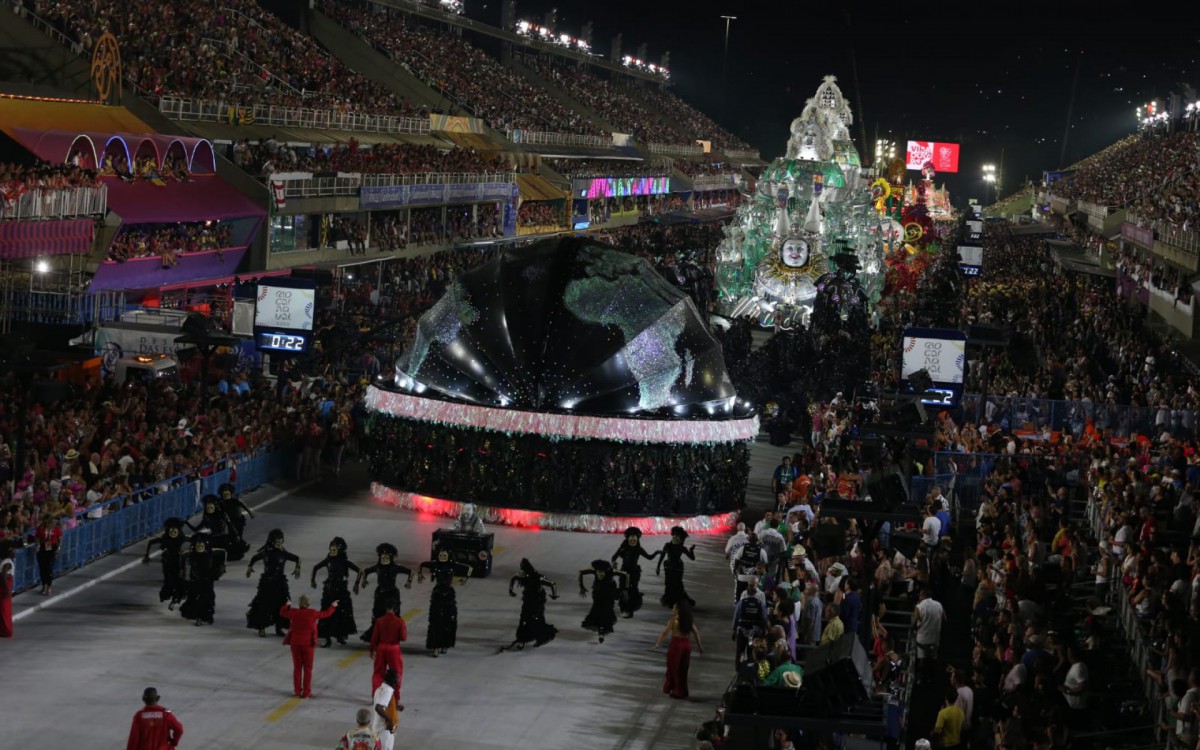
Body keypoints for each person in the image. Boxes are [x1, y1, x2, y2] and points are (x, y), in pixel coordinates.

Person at [279, 594, 338, 698]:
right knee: (308, 669)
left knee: (297, 668)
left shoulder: (294, 613)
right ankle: (306, 692)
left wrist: (287, 605)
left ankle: (297, 691)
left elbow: (282, 613)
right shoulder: (312, 613)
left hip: (295, 644)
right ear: (308, 604)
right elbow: (326, 614)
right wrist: (333, 606)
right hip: (308, 645)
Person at [416, 548, 471, 656]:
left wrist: (466, 578)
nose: (442, 557)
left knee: (447, 620)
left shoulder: (453, 565)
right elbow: (421, 565)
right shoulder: (435, 564)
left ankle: (445, 644)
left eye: (444, 555)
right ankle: (435, 646)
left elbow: (469, 568)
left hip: (448, 595)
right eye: (440, 555)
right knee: (436, 621)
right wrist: (420, 575)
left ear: (448, 556)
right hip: (437, 594)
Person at [245, 529, 301, 637]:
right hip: (267, 582)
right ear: (272, 541)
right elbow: (254, 558)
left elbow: (297, 558)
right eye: (277, 540)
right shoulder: (266, 552)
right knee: (263, 605)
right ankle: (261, 627)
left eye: (281, 540)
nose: (279, 542)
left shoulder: (284, 552)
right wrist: (249, 567)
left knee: (282, 605)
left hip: (280, 582)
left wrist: (298, 567)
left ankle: (279, 627)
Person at [311, 537, 361, 647]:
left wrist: (357, 584)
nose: (332, 550)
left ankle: (340, 635)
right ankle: (327, 638)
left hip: (341, 590)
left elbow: (359, 570)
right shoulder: (328, 560)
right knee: (327, 613)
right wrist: (313, 580)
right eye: (331, 548)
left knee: (341, 613)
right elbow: (315, 567)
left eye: (335, 548)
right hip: (329, 590)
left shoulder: (344, 562)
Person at [358, 543, 413, 643]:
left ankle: (392, 636)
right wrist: (364, 580)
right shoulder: (378, 567)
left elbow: (410, 572)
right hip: (380, 594)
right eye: (382, 557)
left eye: (387, 557)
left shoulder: (395, 567)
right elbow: (365, 571)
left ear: (391, 558)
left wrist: (409, 582)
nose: (384, 559)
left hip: (392, 594)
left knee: (393, 616)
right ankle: (377, 636)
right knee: (378, 616)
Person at [502, 558, 559, 651]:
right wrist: (510, 590)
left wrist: (554, 595)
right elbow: (513, 577)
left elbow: (552, 584)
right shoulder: (523, 575)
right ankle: (522, 639)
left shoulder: (538, 577)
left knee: (536, 619)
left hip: (537, 603)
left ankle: (540, 638)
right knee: (524, 618)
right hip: (528, 601)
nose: (522, 570)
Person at [654, 600, 704, 699]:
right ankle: (682, 691)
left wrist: (658, 644)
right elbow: (696, 633)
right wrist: (700, 646)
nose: (673, 609)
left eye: (674, 607)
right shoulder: (688, 621)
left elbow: (664, 633)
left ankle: (676, 691)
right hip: (686, 646)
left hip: (676, 646)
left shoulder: (673, 621)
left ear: (678, 610)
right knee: (683, 670)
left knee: (673, 668)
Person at [179, 533, 227, 626]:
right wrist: (182, 569)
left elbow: (224, 552)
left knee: (206, 598)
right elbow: (183, 556)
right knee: (195, 598)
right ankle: (198, 617)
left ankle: (201, 616)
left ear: (205, 545)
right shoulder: (191, 553)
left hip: (207, 579)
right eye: (198, 545)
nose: (199, 547)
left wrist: (222, 566)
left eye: (201, 545)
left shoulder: (211, 552)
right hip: (195, 579)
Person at [142, 517, 188, 610]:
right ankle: (170, 596)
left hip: (179, 562)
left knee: (180, 581)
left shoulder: (182, 537)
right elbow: (150, 542)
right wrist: (146, 555)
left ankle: (176, 599)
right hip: (168, 562)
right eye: (171, 530)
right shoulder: (165, 538)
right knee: (169, 581)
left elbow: (194, 541)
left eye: (175, 530)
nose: (173, 532)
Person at [579, 559, 628, 643]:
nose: (599, 575)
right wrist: (581, 587)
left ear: (606, 571)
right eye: (598, 572)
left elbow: (626, 574)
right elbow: (581, 572)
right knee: (598, 609)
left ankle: (601, 631)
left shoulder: (611, 571)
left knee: (607, 609)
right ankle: (601, 630)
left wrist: (625, 589)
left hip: (609, 592)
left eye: (602, 573)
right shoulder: (594, 571)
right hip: (598, 592)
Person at [612, 526, 655, 618]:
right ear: (627, 539)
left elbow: (649, 557)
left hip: (634, 573)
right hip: (624, 572)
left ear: (637, 539)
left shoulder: (638, 549)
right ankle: (623, 607)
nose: (632, 540)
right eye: (630, 538)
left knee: (632, 590)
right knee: (623, 589)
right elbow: (614, 557)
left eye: (634, 538)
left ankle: (630, 608)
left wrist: (657, 553)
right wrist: (614, 563)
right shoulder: (623, 548)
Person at [369, 601, 408, 699]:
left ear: (386, 608)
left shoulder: (379, 621)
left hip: (381, 648)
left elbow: (374, 637)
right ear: (395, 609)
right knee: (396, 673)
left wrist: (372, 649)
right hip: (394, 649)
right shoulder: (399, 621)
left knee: (378, 673)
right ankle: (395, 697)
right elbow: (404, 637)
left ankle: (375, 696)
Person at [655, 526, 697, 608]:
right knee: (669, 584)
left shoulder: (682, 548)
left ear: (681, 539)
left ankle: (680, 601)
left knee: (678, 585)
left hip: (677, 568)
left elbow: (692, 558)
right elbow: (662, 556)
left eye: (677, 536)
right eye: (674, 535)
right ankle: (670, 601)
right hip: (669, 567)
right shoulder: (667, 546)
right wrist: (658, 567)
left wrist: (691, 550)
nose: (675, 537)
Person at [913, 586, 946, 683]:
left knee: (922, 659)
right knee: (932, 658)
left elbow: (915, 623)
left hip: (922, 638)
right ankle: (930, 678)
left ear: (923, 595)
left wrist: (915, 628)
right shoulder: (939, 605)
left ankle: (919, 678)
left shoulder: (919, 606)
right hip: (935, 637)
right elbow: (945, 619)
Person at [371, 667, 400, 750]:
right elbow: (378, 707)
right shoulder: (388, 690)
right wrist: (390, 720)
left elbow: (383, 705)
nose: (398, 680)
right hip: (384, 729)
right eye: (396, 678)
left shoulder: (380, 689)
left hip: (378, 727)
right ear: (392, 680)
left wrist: (396, 707)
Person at [34, 513, 61, 596]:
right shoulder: (41, 528)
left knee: (49, 568)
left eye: (53, 523)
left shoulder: (56, 529)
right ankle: (44, 585)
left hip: (52, 548)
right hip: (42, 548)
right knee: (42, 568)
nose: (52, 524)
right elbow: (37, 538)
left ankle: (49, 586)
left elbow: (59, 539)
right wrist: (37, 545)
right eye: (50, 522)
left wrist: (58, 548)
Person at [0, 540, 16, 638]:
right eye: (14, 549)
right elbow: (3, 576)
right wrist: (7, 589)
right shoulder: (7, 562)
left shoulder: (3, 561)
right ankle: (6, 631)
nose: (15, 551)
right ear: (9, 550)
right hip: (4, 589)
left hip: (3, 588)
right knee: (5, 610)